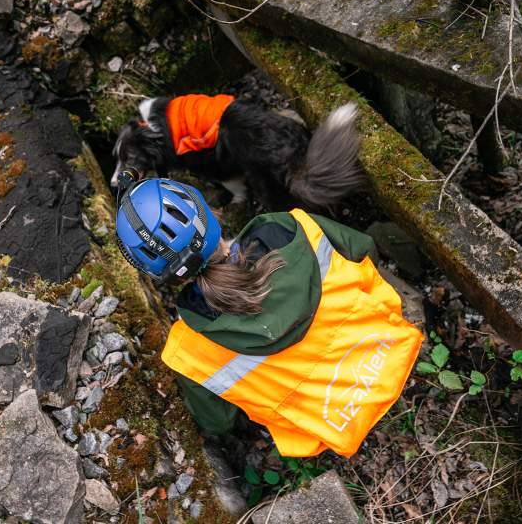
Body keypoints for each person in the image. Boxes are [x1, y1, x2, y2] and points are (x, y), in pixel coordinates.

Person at [114, 173, 424, 458]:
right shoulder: (291, 227)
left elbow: (218, 422)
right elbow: (364, 249)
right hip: (391, 346)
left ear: (161, 275)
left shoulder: (188, 350)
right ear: (208, 211)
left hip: (340, 422)